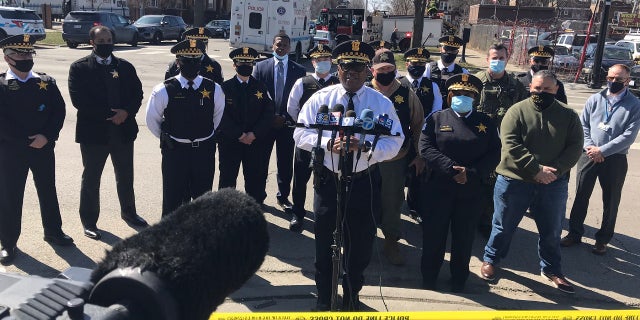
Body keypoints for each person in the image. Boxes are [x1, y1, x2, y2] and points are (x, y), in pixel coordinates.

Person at [293, 40, 404, 311]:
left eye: (357, 67)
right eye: (345, 67)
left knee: (359, 246)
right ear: (337, 68)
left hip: (363, 181)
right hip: (328, 181)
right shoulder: (322, 99)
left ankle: (352, 295)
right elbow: (299, 133)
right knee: (324, 244)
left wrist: (366, 149)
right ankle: (324, 296)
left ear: (367, 70)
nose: (350, 73)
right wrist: (326, 144)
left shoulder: (380, 103)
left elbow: (396, 140)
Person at [480, 70, 583, 294]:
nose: (541, 92)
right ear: (530, 88)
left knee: (551, 230)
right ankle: (491, 260)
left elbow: (575, 147)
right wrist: (535, 169)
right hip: (514, 180)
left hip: (552, 183)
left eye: (547, 89)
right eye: (537, 88)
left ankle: (552, 270)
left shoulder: (568, 115)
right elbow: (510, 144)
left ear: (556, 89)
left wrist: (553, 172)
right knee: (503, 226)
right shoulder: (516, 111)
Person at [419, 74, 501, 292]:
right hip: (438, 188)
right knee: (434, 236)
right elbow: (425, 148)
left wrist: (471, 173)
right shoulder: (436, 118)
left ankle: (458, 279)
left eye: (468, 95)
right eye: (458, 94)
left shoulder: (485, 122)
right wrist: (452, 169)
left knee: (463, 239)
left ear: (475, 98)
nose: (462, 98)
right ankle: (429, 278)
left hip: (471, 191)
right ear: (449, 96)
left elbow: (494, 153)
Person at [0, 34, 74, 264]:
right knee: (10, 196)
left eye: (28, 53)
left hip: (43, 147)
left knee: (47, 190)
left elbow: (58, 112)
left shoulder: (46, 82)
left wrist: (47, 136)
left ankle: (53, 230)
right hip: (12, 151)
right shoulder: (1, 85)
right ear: (7, 57)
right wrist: (24, 140)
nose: (25, 58)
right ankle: (8, 242)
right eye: (20, 54)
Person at [68, 26, 147, 241]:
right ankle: (89, 222)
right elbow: (79, 100)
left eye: (109, 39)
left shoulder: (125, 66)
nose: (105, 43)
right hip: (94, 134)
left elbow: (137, 93)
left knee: (125, 176)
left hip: (123, 132)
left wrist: (126, 112)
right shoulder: (80, 68)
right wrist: (112, 114)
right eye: (101, 40)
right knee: (91, 178)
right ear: (92, 42)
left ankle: (129, 212)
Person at [561, 64, 640, 255]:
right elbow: (583, 125)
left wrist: (603, 150)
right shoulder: (595, 99)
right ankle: (574, 233)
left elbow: (629, 136)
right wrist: (590, 147)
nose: (613, 82)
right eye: (611, 78)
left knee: (611, 200)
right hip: (588, 154)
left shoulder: (635, 104)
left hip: (615, 158)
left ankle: (603, 239)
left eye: (618, 79)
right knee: (581, 195)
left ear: (627, 80)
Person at [146, 39, 225, 217]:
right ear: (177, 62)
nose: (191, 64)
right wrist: (169, 136)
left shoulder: (214, 88)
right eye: (186, 60)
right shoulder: (164, 89)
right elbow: (152, 120)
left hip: (203, 151)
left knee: (203, 199)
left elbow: (217, 118)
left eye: (195, 60)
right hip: (175, 152)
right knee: (172, 198)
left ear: (200, 62)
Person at [369, 48, 424, 265]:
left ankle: (391, 241)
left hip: (395, 159)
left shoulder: (406, 94)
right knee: (363, 199)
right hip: (367, 158)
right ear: (372, 71)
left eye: (390, 69)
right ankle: (363, 239)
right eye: (381, 69)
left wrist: (420, 155)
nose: (385, 73)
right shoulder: (364, 92)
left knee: (392, 202)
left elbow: (419, 124)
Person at [474, 42, 528, 238]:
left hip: (504, 146)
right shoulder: (475, 82)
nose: (497, 61)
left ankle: (488, 221)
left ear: (507, 59)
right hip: (477, 144)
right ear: (487, 59)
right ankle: (470, 217)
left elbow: (524, 115)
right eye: (494, 58)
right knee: (475, 182)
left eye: (501, 58)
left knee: (497, 187)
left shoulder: (516, 86)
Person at [286, 44, 340, 232]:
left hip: (330, 143)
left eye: (326, 59)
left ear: (331, 61)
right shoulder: (302, 82)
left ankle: (326, 217)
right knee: (300, 178)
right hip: (307, 141)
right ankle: (298, 214)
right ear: (313, 62)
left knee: (328, 180)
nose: (322, 63)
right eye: (319, 60)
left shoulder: (338, 84)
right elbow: (292, 109)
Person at [252, 32, 306, 211]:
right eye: (278, 44)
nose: (281, 48)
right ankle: (258, 197)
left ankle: (283, 197)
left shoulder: (299, 70)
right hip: (264, 125)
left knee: (284, 164)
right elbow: (255, 98)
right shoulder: (260, 67)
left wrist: (284, 117)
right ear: (272, 46)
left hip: (287, 124)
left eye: (284, 45)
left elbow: (299, 99)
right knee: (260, 163)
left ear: (289, 48)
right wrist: (269, 117)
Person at [217, 47, 274, 203]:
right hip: (230, 142)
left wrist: (253, 134)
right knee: (227, 178)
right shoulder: (224, 88)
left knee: (255, 178)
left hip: (255, 142)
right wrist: (239, 134)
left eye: (249, 63)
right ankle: (224, 210)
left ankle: (254, 209)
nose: (246, 66)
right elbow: (220, 116)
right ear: (234, 65)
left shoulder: (261, 87)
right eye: (242, 62)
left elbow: (268, 114)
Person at [399, 47, 443, 222]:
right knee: (397, 171)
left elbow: (437, 110)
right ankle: (393, 203)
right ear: (407, 64)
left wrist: (422, 126)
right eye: (414, 63)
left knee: (419, 172)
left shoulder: (432, 86)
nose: (417, 66)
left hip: (423, 136)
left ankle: (414, 206)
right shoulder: (397, 83)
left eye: (421, 64)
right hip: (401, 135)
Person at [425, 36, 469, 108]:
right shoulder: (428, 68)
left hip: (451, 113)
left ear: (457, 52)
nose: (449, 52)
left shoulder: (463, 73)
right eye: (446, 49)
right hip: (430, 111)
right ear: (440, 49)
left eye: (453, 50)